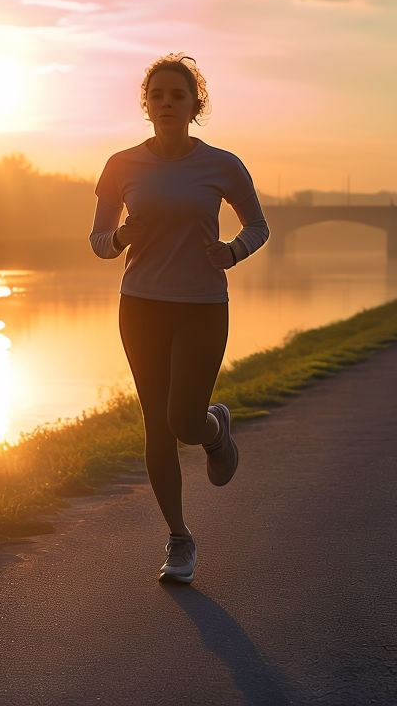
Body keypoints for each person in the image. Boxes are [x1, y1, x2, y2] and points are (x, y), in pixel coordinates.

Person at [89, 53, 269, 583]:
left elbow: (258, 226)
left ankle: (213, 430)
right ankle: (179, 538)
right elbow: (99, 242)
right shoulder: (120, 165)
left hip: (203, 304)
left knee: (184, 420)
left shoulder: (223, 165)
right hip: (141, 305)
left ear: (196, 105)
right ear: (145, 104)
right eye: (158, 95)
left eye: (178, 95)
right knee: (156, 425)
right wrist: (122, 237)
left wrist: (231, 252)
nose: (167, 103)